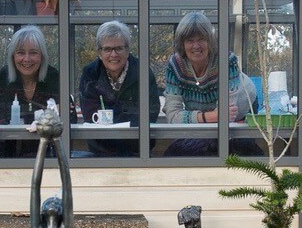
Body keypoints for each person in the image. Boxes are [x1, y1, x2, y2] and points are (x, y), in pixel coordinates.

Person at [162, 12, 262, 156]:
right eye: (190, 40)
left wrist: (206, 117)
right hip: (209, 117)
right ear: (182, 44)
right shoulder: (175, 65)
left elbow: (228, 115)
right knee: (175, 152)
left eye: (201, 39)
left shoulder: (227, 60)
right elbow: (172, 117)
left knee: (238, 149)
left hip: (243, 110)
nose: (196, 46)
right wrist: (209, 117)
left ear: (210, 40)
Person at [79, 20, 160, 157]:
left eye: (119, 48)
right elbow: (90, 115)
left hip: (138, 151)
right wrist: (125, 115)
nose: (114, 54)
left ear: (127, 50)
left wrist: (110, 117)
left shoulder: (143, 71)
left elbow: (150, 112)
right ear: (99, 52)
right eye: (107, 49)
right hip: (100, 151)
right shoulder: (90, 73)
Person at [0, 25, 76, 158]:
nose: (27, 59)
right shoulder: (2, 77)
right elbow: (1, 118)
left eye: (33, 52)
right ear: (13, 56)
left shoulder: (54, 77)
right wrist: (44, 115)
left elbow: (70, 116)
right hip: (10, 156)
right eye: (20, 52)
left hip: (50, 155)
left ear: (42, 56)